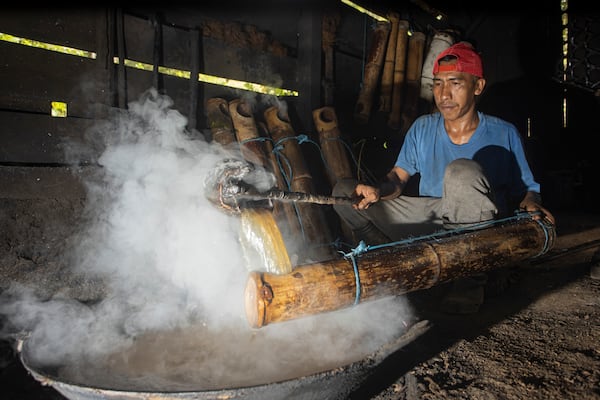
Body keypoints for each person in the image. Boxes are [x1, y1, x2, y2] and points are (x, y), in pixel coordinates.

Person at [333, 41, 556, 314]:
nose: (444, 94)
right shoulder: (423, 128)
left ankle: (468, 282)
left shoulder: (504, 133)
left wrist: (532, 203)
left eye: (455, 83)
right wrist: (378, 190)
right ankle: (395, 259)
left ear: (478, 87)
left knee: (462, 171)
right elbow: (397, 178)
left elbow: (528, 190)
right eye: (438, 83)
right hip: (433, 217)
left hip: (479, 226)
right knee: (344, 193)